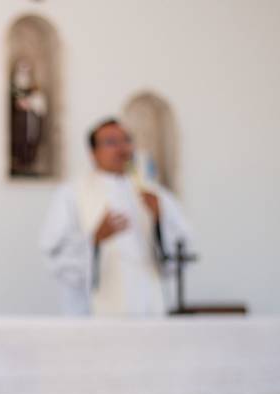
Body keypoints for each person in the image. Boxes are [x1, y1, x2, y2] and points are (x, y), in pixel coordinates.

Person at [40, 118, 191, 316]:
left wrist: (159, 221)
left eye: (127, 140)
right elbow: (54, 254)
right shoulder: (71, 194)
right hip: (94, 312)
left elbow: (181, 251)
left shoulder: (155, 194)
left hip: (148, 306)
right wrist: (94, 240)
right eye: (111, 142)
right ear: (93, 153)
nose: (122, 148)